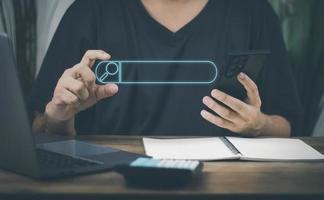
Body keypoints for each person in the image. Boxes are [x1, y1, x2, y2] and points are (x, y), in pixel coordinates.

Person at [29, 0, 302, 137]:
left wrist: (259, 125)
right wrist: (58, 117)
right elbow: (38, 127)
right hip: (108, 184)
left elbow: (288, 124)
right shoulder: (89, 11)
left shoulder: (254, 13)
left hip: (226, 184)